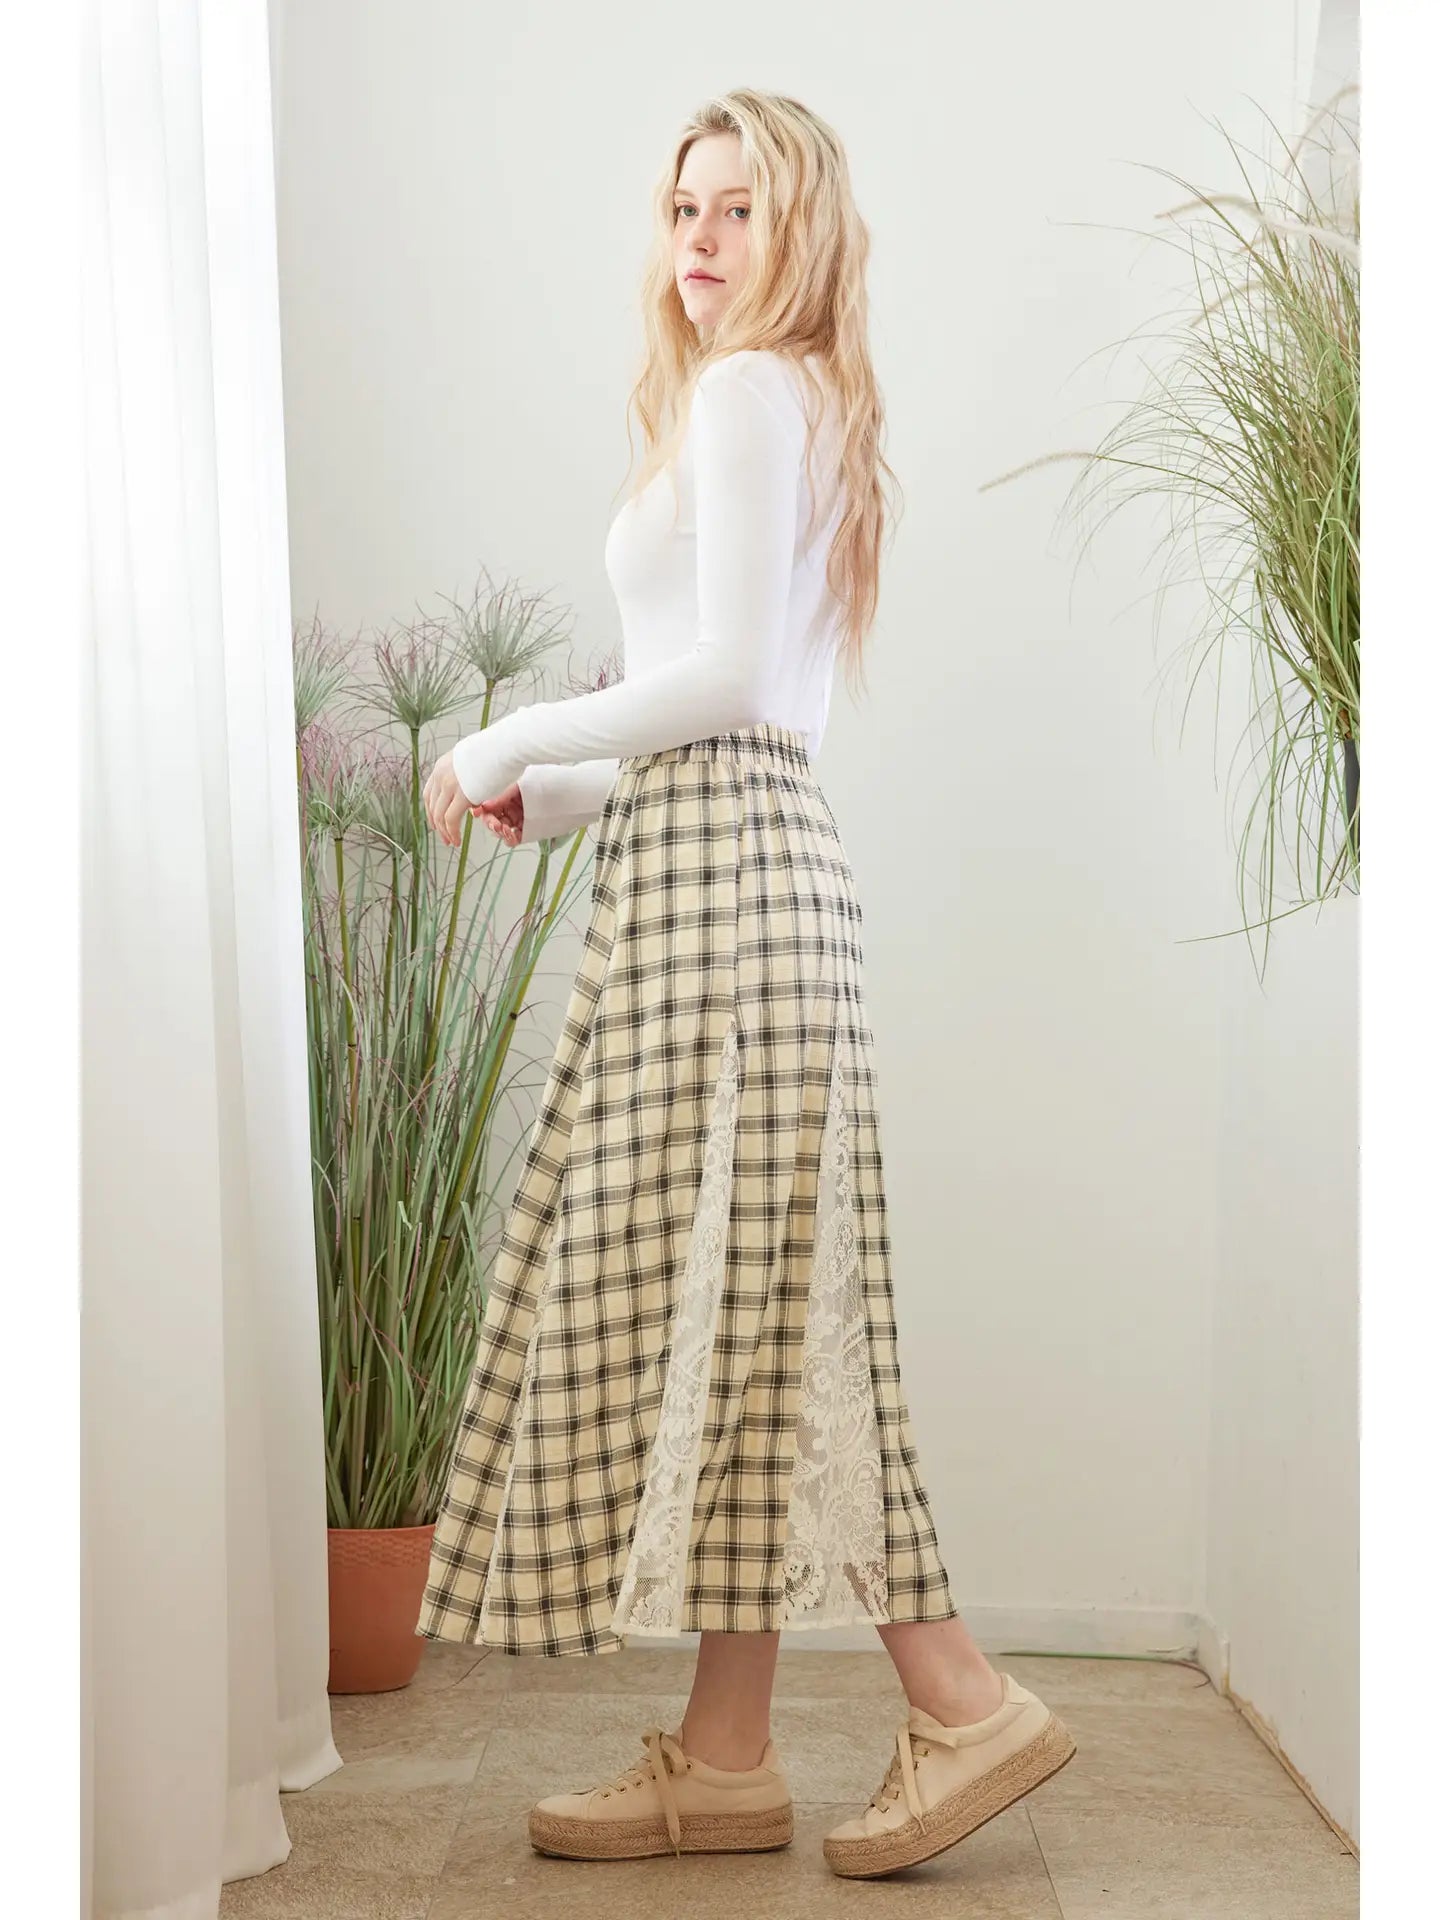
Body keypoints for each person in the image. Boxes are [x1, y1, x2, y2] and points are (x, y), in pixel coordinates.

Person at [415, 87, 1076, 1880]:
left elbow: (718, 676)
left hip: (731, 883)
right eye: (681, 209)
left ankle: (964, 1702)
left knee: (776, 1327)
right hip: (722, 861)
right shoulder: (792, 403)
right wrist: (545, 794)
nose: (698, 242)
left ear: (805, 235)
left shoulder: (750, 391)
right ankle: (726, 1757)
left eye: (739, 211)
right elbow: (738, 688)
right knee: (759, 1324)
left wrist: (507, 728)